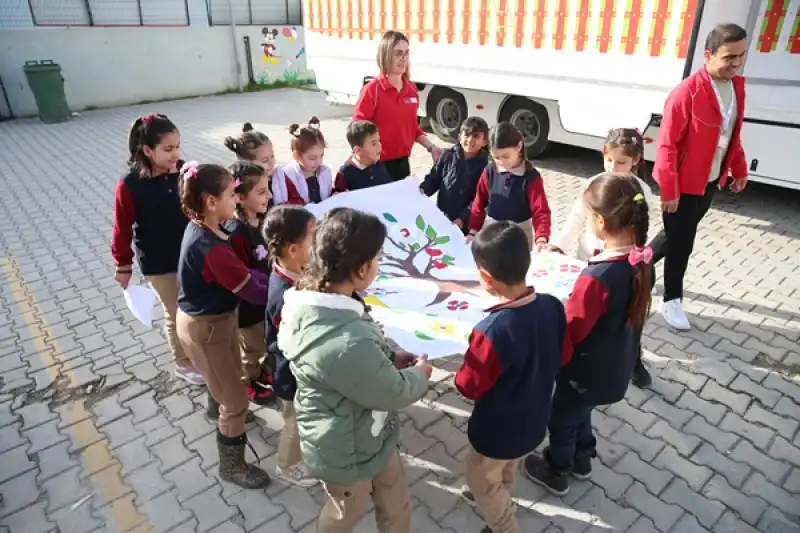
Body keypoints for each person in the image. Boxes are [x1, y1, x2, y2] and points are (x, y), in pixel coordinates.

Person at [277, 207, 432, 533]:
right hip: (346, 452)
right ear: (361, 269)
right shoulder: (344, 340)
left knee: (396, 503)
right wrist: (421, 375)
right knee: (344, 513)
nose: (379, 264)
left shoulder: (323, 302)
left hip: (370, 437)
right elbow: (394, 391)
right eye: (377, 258)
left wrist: (391, 354)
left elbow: (366, 343)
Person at [523, 173, 653, 497]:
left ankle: (557, 468)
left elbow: (574, 328)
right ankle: (583, 456)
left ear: (599, 221)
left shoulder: (597, 276)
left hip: (584, 371)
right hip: (615, 368)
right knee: (581, 410)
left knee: (562, 417)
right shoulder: (640, 262)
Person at [455, 222, 565, 533]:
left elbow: (468, 385)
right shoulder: (552, 306)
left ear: (486, 279)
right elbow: (563, 354)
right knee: (506, 466)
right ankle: (500, 493)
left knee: (480, 474)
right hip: (535, 419)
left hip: (497, 430)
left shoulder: (491, 331)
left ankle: (503, 524)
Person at [175, 161, 271, 489]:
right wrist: (289, 284)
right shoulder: (209, 246)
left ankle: (216, 406)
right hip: (206, 328)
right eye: (232, 194)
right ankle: (232, 466)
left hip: (218, 321)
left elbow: (245, 274)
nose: (237, 198)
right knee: (236, 401)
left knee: (224, 375)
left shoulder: (207, 226)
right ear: (211, 201)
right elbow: (254, 290)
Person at [650, 23, 749, 331]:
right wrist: (669, 189)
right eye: (728, 57)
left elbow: (731, 134)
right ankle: (671, 301)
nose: (735, 63)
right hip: (682, 184)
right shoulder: (686, 93)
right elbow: (667, 144)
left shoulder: (736, 87)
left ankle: (634, 263)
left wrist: (739, 168)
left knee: (677, 234)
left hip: (710, 181)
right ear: (708, 55)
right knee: (683, 243)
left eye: (741, 56)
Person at [548, 128, 655, 388]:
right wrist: (558, 245)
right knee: (586, 314)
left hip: (622, 265)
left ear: (635, 161)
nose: (613, 167)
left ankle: (632, 361)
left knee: (625, 318)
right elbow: (576, 219)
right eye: (609, 160)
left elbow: (639, 229)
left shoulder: (641, 191)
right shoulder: (593, 185)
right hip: (589, 262)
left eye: (621, 162)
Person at [111, 113, 201, 385]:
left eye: (177, 147)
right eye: (168, 149)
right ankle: (183, 363)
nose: (176, 154)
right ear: (147, 150)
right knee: (175, 311)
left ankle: (198, 352)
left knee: (196, 307)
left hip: (190, 253)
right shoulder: (130, 185)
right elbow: (121, 227)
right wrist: (123, 265)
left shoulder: (185, 172)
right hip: (158, 261)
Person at [263, 205, 318, 487]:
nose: (318, 240)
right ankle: (287, 464)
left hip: (298, 370)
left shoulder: (294, 270)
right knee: (294, 421)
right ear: (293, 249)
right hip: (290, 374)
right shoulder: (284, 295)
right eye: (313, 236)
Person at [353, 30, 442, 181]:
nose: (403, 59)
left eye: (406, 53)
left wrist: (431, 147)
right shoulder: (372, 90)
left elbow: (412, 127)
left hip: (402, 164)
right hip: (376, 165)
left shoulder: (412, 90)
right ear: (386, 55)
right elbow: (357, 129)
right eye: (398, 53)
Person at [226, 161, 275, 406]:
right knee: (252, 348)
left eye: (268, 189)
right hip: (248, 308)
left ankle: (264, 370)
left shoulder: (263, 218)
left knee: (267, 341)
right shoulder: (236, 232)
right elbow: (241, 275)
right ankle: (248, 381)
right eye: (262, 192)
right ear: (240, 198)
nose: (270, 196)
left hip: (266, 298)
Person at [469, 122, 551, 249]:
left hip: (520, 233)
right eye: (496, 157)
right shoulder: (489, 171)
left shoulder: (531, 177)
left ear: (519, 146)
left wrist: (541, 238)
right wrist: (473, 231)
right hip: (491, 231)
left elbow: (541, 211)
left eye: (506, 156)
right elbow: (479, 203)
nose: (501, 162)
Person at [420, 117, 490, 234]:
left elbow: (480, 199)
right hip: (442, 216)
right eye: (466, 135)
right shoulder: (447, 156)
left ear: (484, 142)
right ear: (459, 136)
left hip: (466, 225)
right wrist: (421, 191)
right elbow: (433, 179)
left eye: (476, 136)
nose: (470, 140)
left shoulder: (485, 169)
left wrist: (463, 219)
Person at [224, 122, 304, 205]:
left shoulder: (280, 176)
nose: (271, 163)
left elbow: (298, 200)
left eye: (272, 156)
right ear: (247, 164)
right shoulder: (242, 185)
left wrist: (284, 207)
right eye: (265, 161)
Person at [274, 117, 334, 205]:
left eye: (321, 156)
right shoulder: (286, 176)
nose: (318, 162)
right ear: (297, 155)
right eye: (312, 158)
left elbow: (328, 196)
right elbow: (281, 205)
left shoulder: (325, 172)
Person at [334, 120, 393, 191]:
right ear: (358, 150)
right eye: (374, 144)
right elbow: (339, 198)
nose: (379, 146)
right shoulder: (345, 173)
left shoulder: (379, 165)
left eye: (379, 141)